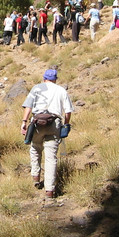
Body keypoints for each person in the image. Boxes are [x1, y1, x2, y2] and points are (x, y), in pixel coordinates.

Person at [20, 68, 74, 198]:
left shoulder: (36, 88)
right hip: (54, 123)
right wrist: (65, 124)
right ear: (55, 79)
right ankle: (50, 190)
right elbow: (67, 112)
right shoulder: (61, 90)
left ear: (44, 78)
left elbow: (29, 107)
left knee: (35, 148)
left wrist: (24, 122)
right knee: (51, 158)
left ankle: (36, 177)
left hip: (37, 122)